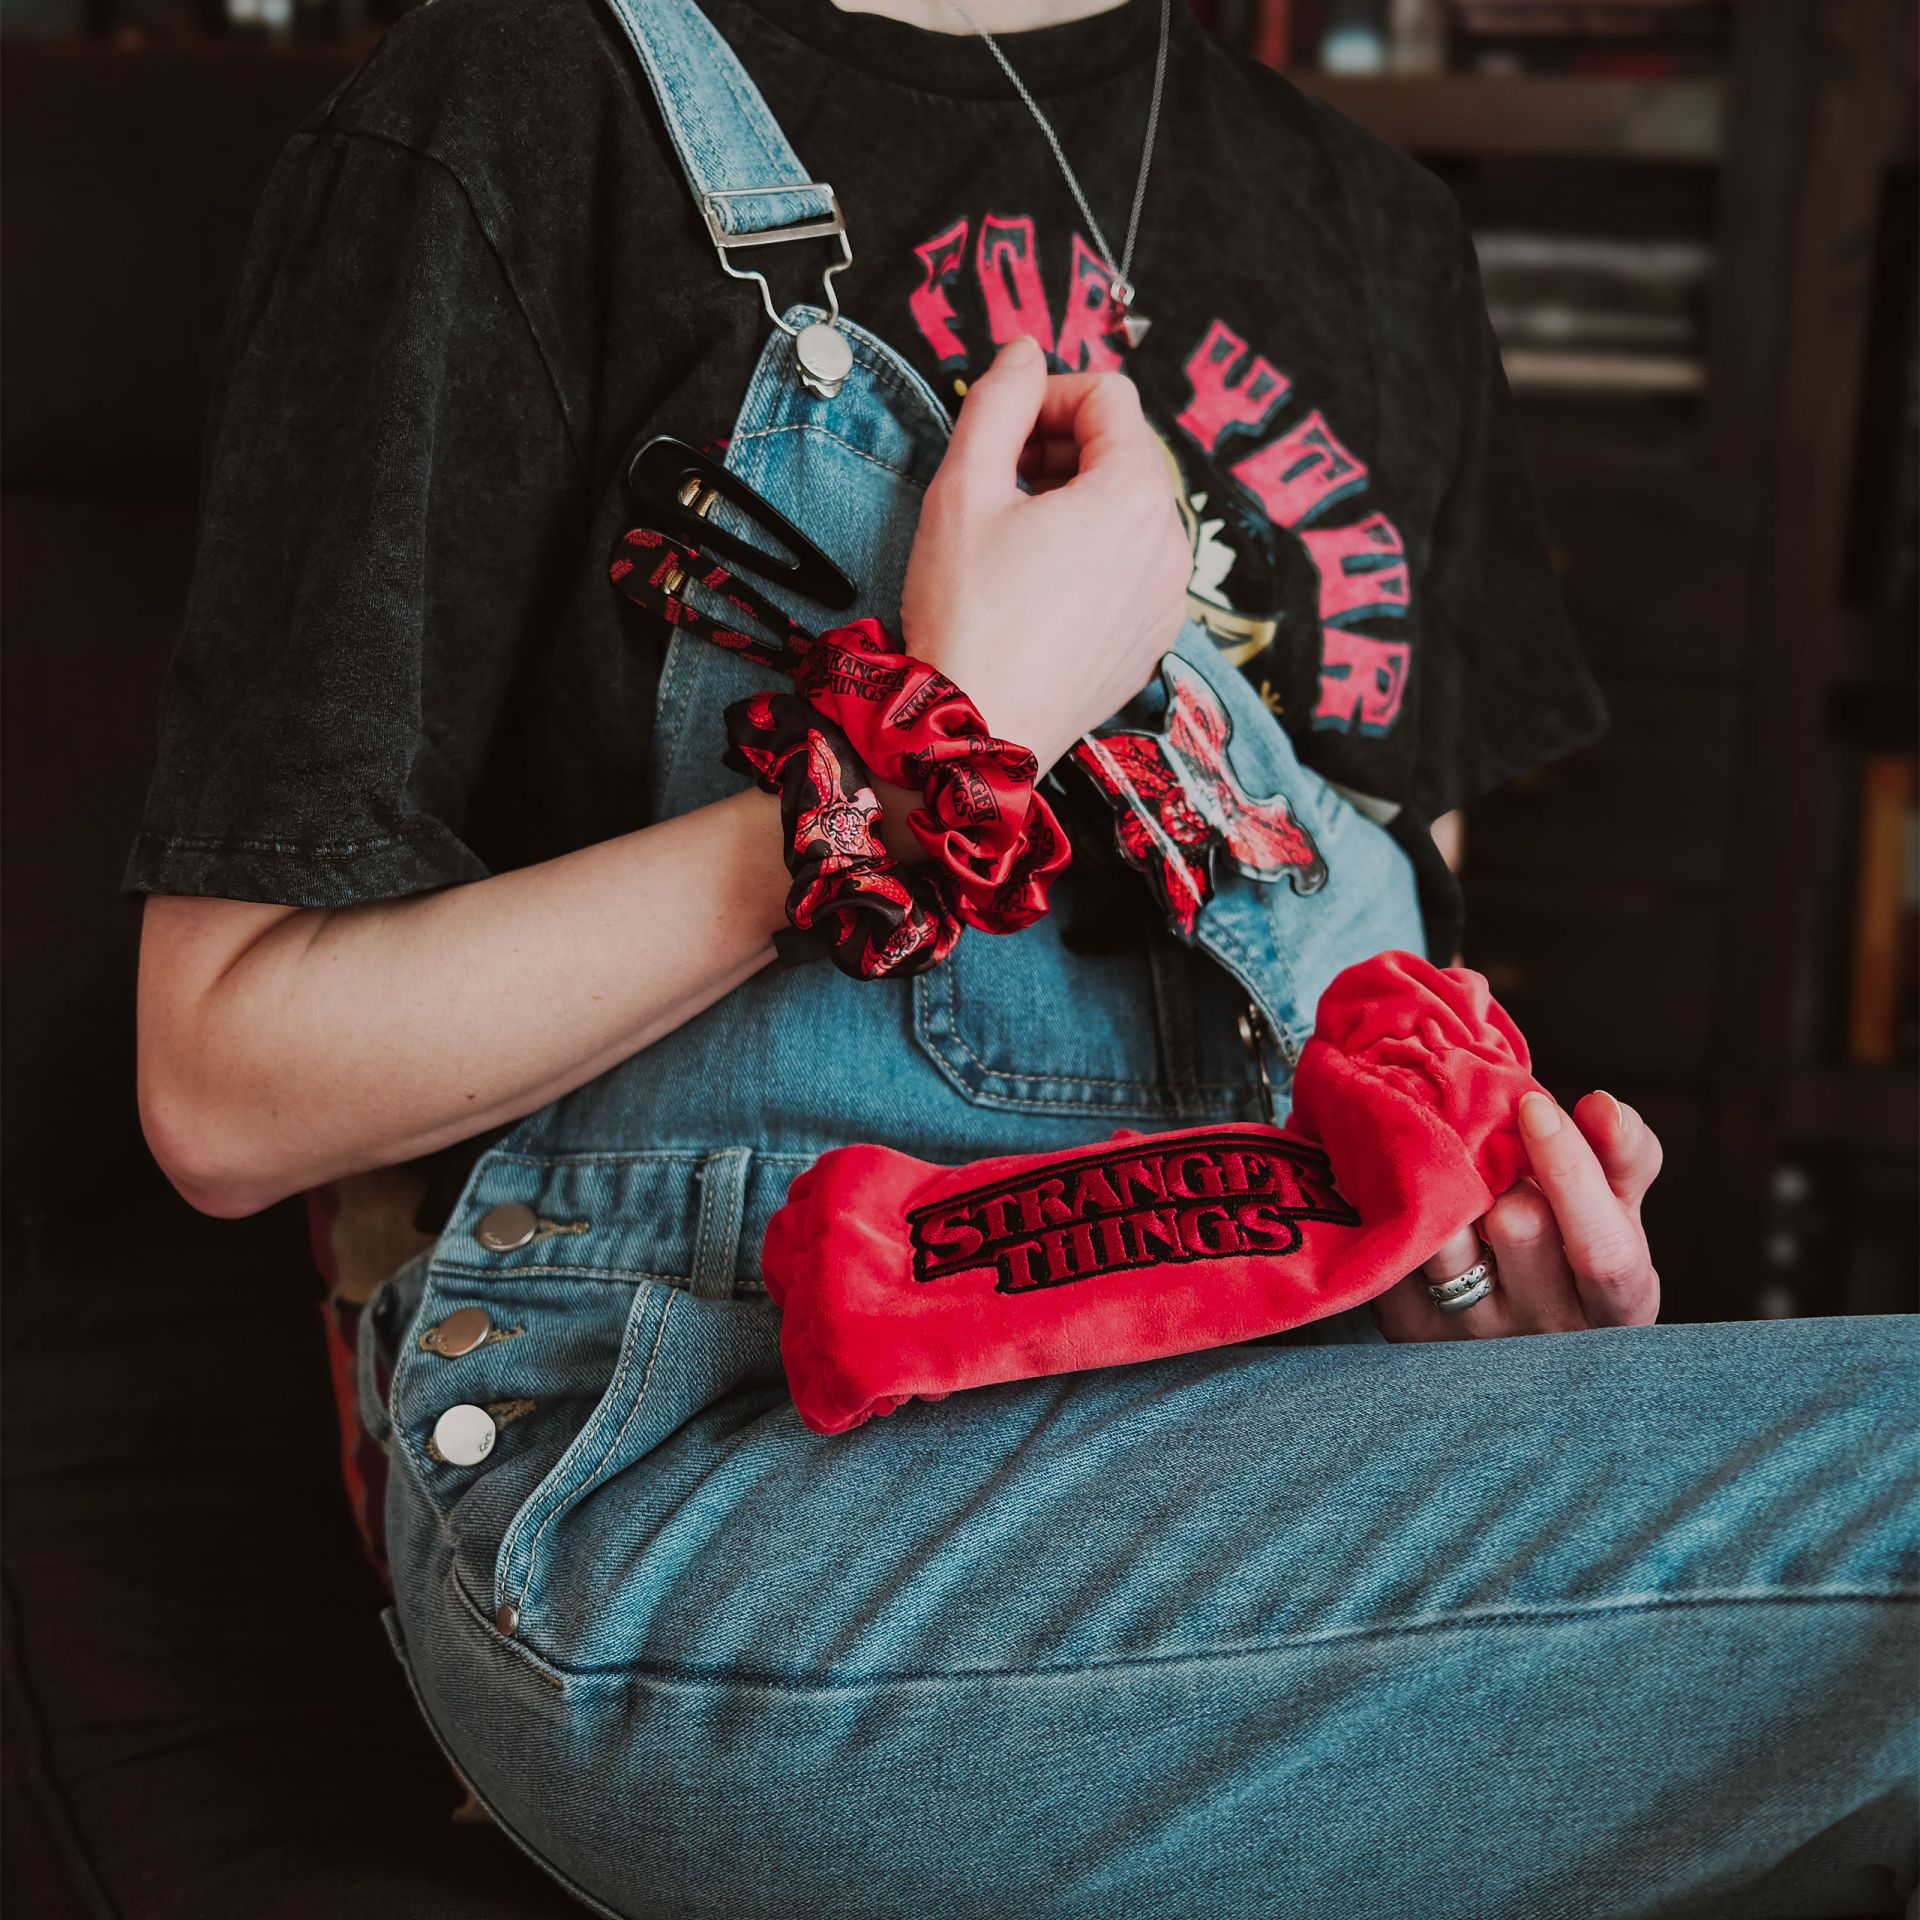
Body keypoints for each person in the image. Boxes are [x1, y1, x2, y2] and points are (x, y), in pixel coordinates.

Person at [124, 0, 1916, 1910]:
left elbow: (1384, 1022)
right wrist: (935, 755)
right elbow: (224, 1085)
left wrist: (1472, 1288)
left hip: (1275, 1432)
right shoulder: (521, 106)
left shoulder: (1380, 234)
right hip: (703, 1462)